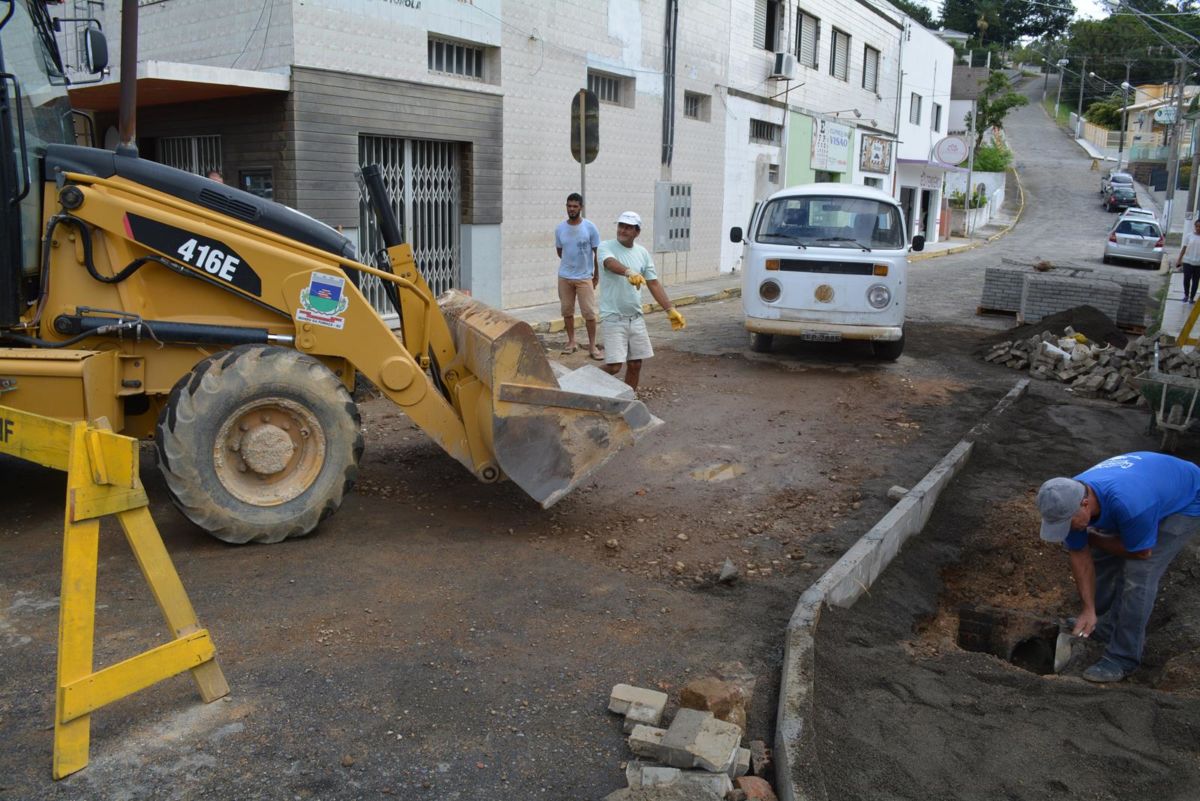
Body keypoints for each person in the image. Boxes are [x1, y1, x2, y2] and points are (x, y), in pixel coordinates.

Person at [1036, 452, 1200, 683]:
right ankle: (1101, 624)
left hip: (1186, 497)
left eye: (1067, 524)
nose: (1065, 529)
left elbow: (1142, 552)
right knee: (1101, 555)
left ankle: (1123, 657)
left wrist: (1092, 538)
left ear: (1084, 504)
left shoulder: (1130, 504)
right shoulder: (1065, 496)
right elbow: (1079, 553)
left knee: (1138, 576)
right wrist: (1088, 608)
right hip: (1148, 485)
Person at [596, 211, 685, 393]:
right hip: (613, 316)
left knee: (636, 364)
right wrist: (629, 272)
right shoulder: (605, 246)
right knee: (614, 366)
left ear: (637, 232)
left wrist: (669, 310)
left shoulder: (642, 253)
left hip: (635, 318)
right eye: (621, 226)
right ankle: (583, 382)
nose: (623, 230)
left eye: (628, 227)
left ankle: (628, 400)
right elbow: (610, 263)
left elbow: (653, 282)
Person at [554, 193, 602, 359]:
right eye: (569, 206)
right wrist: (570, 266)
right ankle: (571, 341)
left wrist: (595, 276)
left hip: (584, 278)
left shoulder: (590, 227)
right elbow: (561, 252)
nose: (571, 209)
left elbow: (598, 253)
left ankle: (592, 346)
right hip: (565, 277)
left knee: (589, 313)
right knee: (567, 311)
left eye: (575, 206)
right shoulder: (560, 228)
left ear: (581, 207)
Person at [1175, 217, 1200, 304]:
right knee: (1186, 279)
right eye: (1197, 226)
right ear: (1195, 226)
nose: (1198, 228)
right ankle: (1186, 295)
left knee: (1195, 282)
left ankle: (1192, 298)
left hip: (1198, 264)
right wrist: (1179, 259)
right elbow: (1184, 248)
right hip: (1188, 262)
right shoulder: (1189, 236)